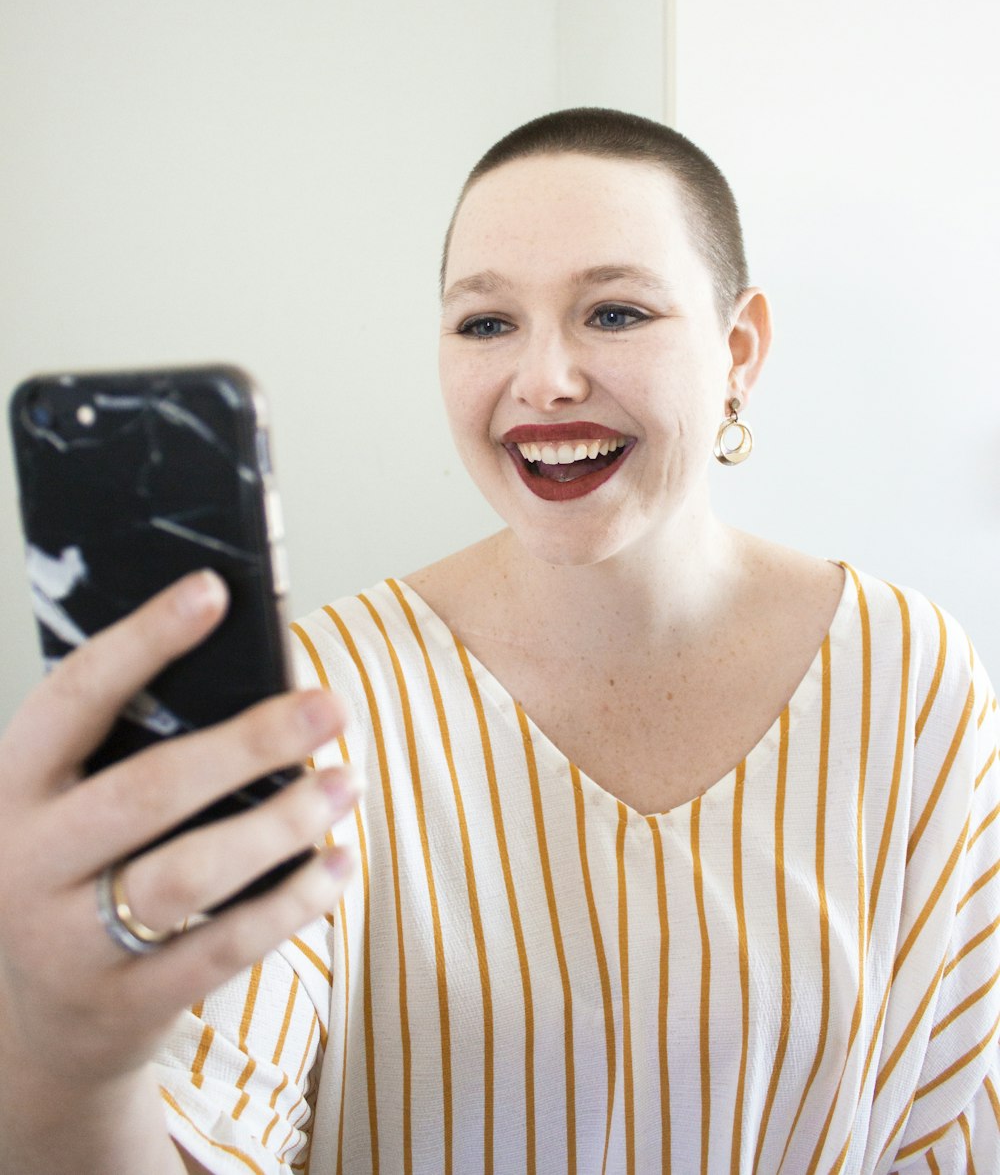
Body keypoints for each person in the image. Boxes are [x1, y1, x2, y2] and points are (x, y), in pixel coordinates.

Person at [1, 108, 997, 1174]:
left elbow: (948, 1124)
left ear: (738, 349)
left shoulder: (907, 669)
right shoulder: (316, 702)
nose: (545, 381)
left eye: (614, 313)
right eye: (486, 325)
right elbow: (205, 1135)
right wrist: (65, 1063)